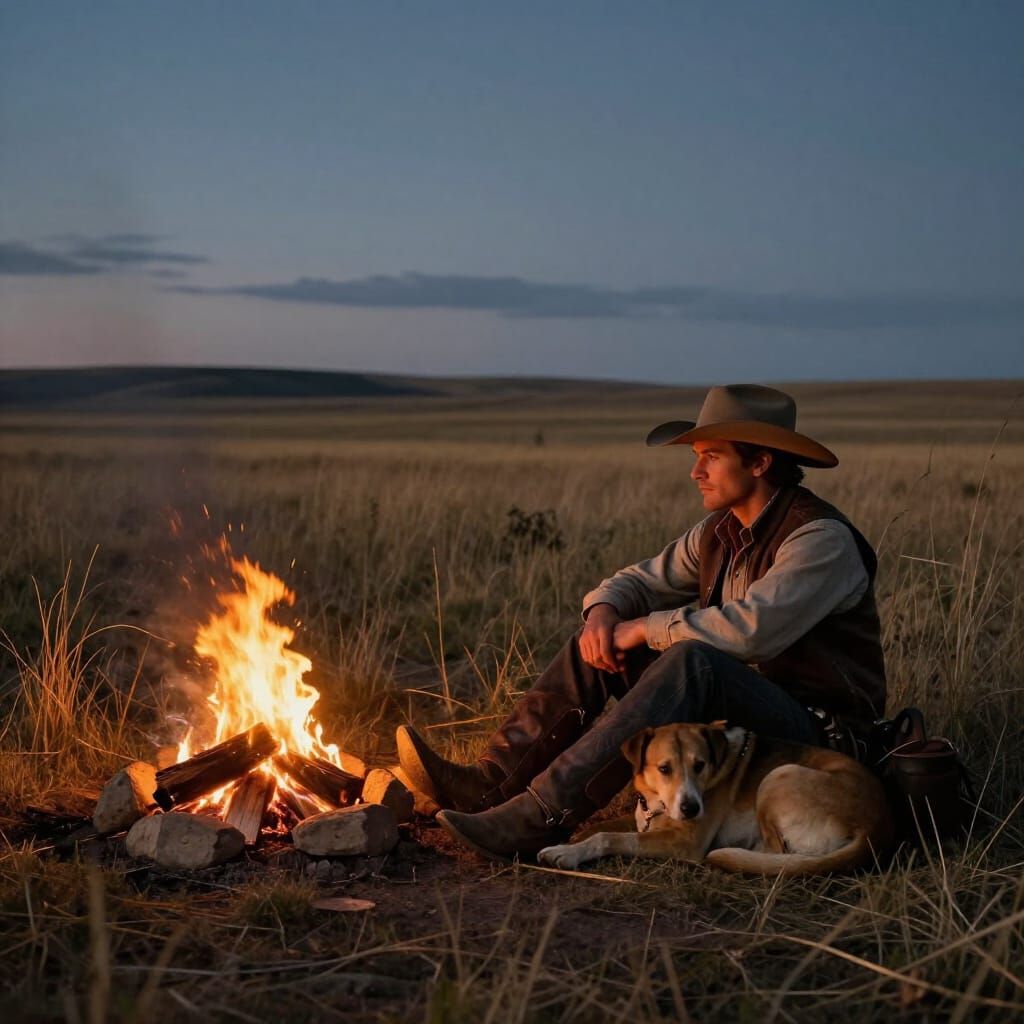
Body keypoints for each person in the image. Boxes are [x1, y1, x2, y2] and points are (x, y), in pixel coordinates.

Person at [397, 384, 887, 861]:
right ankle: (489, 784)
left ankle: (538, 816)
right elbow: (636, 581)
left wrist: (644, 626)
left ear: (759, 463)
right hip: (735, 726)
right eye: (696, 456)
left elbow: (751, 632)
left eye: (711, 456)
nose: (696, 471)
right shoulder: (721, 531)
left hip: (817, 740)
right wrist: (605, 615)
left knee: (693, 661)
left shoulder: (819, 540)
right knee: (602, 643)